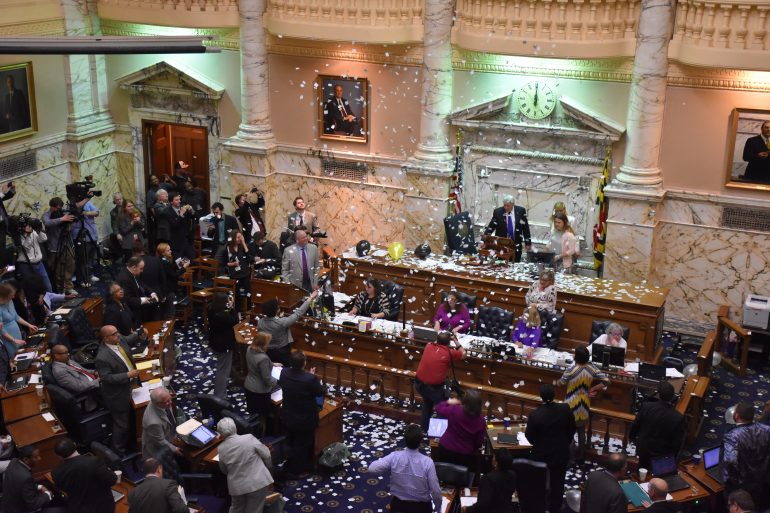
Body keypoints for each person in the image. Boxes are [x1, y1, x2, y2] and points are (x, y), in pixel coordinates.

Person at [367, 423, 443, 513]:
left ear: (405, 439)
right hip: (421, 508)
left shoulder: (395, 457)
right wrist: (438, 507)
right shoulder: (427, 463)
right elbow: (435, 491)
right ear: (421, 441)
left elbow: (371, 469)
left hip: (398, 505)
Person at [525, 383, 576, 513]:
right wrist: (566, 441)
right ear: (554, 395)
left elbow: (529, 436)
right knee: (558, 482)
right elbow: (572, 429)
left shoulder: (535, 415)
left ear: (540, 397)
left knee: (539, 481)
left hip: (541, 454)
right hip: (560, 452)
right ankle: (555, 507)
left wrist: (539, 444)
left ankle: (540, 505)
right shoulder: (565, 409)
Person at [555, 346, 609, 461]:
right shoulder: (592, 368)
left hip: (570, 404)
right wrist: (593, 389)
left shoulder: (571, 369)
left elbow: (561, 383)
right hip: (584, 403)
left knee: (569, 434)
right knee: (581, 431)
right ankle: (581, 456)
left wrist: (555, 382)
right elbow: (606, 381)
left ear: (576, 357)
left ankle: (570, 459)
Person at [95, 324, 140, 455]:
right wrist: (127, 375)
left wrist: (140, 336)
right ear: (105, 338)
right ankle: (117, 455)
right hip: (117, 395)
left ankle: (131, 444)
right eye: (114, 334)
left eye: (117, 332)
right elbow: (106, 378)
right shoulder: (102, 357)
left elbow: (130, 339)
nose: (118, 335)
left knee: (133, 416)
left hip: (130, 386)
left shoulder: (120, 341)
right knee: (122, 426)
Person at [279, 350, 325, 476]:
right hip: (304, 419)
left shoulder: (284, 372)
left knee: (291, 440)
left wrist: (308, 376)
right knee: (302, 444)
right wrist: (310, 376)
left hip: (288, 414)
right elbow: (320, 392)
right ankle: (297, 470)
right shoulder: (310, 379)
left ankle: (289, 463)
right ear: (304, 363)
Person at [216, 417, 274, 513]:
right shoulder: (249, 438)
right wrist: (269, 469)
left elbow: (224, 470)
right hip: (257, 482)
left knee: (236, 509)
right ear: (236, 428)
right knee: (254, 510)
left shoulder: (221, 449)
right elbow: (267, 455)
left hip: (236, 487)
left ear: (221, 434)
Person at [414, 331, 465, 431]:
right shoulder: (449, 353)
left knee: (427, 402)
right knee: (442, 408)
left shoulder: (428, 345)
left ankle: (424, 429)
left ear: (437, 340)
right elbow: (464, 354)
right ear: (449, 343)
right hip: (433, 388)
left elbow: (438, 341)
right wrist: (455, 340)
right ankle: (437, 435)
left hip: (419, 384)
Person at [723, 402, 770, 509]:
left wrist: (730, 484)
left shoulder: (732, 436)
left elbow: (730, 462)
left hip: (741, 485)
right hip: (761, 480)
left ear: (736, 416)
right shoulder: (766, 429)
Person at [51, 437, 117, 513]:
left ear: (58, 456)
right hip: (102, 508)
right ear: (75, 445)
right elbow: (112, 480)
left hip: (77, 508)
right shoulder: (94, 461)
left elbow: (62, 488)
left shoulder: (55, 472)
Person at [630, 380, 685, 470]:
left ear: (659, 395)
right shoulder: (678, 417)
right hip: (662, 453)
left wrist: (632, 437)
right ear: (673, 397)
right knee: (658, 476)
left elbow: (636, 425)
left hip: (644, 449)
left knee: (642, 471)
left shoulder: (646, 407)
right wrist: (673, 457)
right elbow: (677, 442)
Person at [257, 291, 317, 366]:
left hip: (267, 351)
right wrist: (311, 297)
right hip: (282, 352)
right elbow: (298, 313)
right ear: (277, 311)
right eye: (278, 308)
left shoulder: (260, 322)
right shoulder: (282, 322)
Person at [434, 391, 486, 472]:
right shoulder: (481, 421)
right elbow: (479, 442)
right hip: (465, 456)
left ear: (465, 402)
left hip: (445, 449)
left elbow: (438, 408)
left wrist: (449, 402)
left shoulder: (455, 410)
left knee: (442, 472)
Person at [1, 445, 62, 513]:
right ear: (26, 459)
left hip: (9, 505)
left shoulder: (14, 462)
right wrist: (47, 494)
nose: (40, 458)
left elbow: (20, 485)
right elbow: (33, 505)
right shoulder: (25, 477)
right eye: (36, 457)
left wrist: (39, 487)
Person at [143, 388, 181, 481]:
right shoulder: (153, 422)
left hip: (167, 435)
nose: (170, 402)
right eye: (167, 402)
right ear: (157, 403)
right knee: (162, 473)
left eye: (170, 399)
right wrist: (175, 449)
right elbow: (160, 441)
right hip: (156, 448)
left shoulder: (164, 403)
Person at [244, 331, 278, 435]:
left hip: (249, 386)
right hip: (260, 391)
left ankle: (252, 433)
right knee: (262, 417)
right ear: (262, 344)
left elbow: (256, 362)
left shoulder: (250, 349)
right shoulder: (263, 358)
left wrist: (272, 364)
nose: (269, 344)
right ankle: (261, 437)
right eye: (267, 343)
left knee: (253, 414)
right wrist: (277, 380)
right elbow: (267, 379)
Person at [43, 197, 78, 295]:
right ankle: (60, 289)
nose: (59, 210)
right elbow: (47, 222)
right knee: (58, 270)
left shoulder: (63, 213)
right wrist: (62, 219)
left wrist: (69, 221)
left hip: (66, 245)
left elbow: (71, 226)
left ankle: (68, 287)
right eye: (57, 208)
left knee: (70, 266)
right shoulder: (46, 215)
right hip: (54, 248)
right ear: (52, 207)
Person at [463, 448, 516, 513]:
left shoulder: (488, 479)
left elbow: (483, 504)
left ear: (496, 463)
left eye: (494, 457)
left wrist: (468, 509)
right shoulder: (513, 475)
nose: (492, 458)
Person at [208, 291, 239, 399]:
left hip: (214, 341)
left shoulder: (211, 308)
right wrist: (233, 308)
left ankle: (221, 388)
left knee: (222, 367)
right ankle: (220, 394)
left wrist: (229, 309)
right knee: (223, 369)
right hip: (224, 344)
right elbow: (235, 320)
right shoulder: (222, 316)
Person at [482, 194, 531, 262]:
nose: (506, 207)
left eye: (508, 206)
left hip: (516, 244)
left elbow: (525, 228)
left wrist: (528, 243)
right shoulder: (498, 212)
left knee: (515, 264)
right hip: (501, 245)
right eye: (504, 205)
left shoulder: (521, 211)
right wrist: (484, 240)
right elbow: (491, 227)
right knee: (501, 265)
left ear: (513, 204)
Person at [50, 344, 100, 410]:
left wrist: (95, 372)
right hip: (91, 389)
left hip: (94, 379)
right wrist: (98, 380)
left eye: (68, 352)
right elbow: (79, 387)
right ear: (56, 355)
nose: (68, 354)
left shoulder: (68, 361)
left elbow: (84, 371)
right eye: (65, 353)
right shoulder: (60, 371)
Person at [117, 256, 159, 325]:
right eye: (141, 269)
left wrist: (152, 293)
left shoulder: (132, 272)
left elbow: (141, 284)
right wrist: (143, 300)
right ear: (134, 267)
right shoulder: (124, 279)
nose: (142, 271)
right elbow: (127, 300)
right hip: (133, 312)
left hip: (138, 306)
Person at [0, 282, 38, 358]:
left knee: (21, 352)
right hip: (7, 336)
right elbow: (1, 329)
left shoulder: (10, 302)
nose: (13, 297)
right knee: (14, 356)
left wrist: (29, 325)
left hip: (16, 331)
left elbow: (16, 317)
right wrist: (13, 340)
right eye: (11, 295)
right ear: (4, 296)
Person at [216, 230, 251, 311]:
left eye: (240, 237)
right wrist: (233, 264)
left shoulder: (242, 247)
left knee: (248, 293)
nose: (240, 239)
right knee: (237, 294)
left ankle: (248, 310)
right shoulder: (227, 248)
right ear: (233, 238)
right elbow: (224, 263)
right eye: (238, 237)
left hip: (245, 274)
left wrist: (244, 243)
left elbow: (249, 258)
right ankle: (237, 311)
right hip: (234, 275)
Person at [70, 196, 100, 286]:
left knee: (90, 257)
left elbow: (97, 212)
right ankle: (83, 279)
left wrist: (86, 213)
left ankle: (89, 275)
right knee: (82, 259)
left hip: (91, 234)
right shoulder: (72, 205)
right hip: (80, 236)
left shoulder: (88, 203)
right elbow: (74, 212)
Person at [16, 216, 52, 292]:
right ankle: (38, 303)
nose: (29, 226)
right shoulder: (18, 235)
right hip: (26, 265)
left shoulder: (34, 231)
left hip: (39, 263)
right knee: (32, 287)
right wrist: (28, 235)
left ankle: (52, 302)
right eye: (28, 224)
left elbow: (43, 239)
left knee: (47, 284)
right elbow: (26, 248)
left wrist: (39, 230)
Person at [158, 242, 189, 318]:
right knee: (170, 312)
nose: (170, 251)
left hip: (167, 288)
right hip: (169, 289)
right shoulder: (164, 262)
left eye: (170, 249)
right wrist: (184, 268)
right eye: (168, 250)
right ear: (163, 253)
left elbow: (171, 269)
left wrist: (179, 265)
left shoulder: (164, 259)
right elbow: (174, 275)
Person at [164, 192, 195, 260]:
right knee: (179, 263)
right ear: (171, 202)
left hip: (187, 240)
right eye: (176, 200)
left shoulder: (183, 207)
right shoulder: (167, 212)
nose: (179, 201)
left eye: (179, 199)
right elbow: (174, 225)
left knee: (192, 260)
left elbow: (193, 216)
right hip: (176, 242)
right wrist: (180, 215)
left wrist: (191, 210)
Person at [0, 181, 16, 267]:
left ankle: (4, 268)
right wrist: (2, 192)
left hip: (3, 226)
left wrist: (12, 188)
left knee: (3, 247)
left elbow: (9, 195)